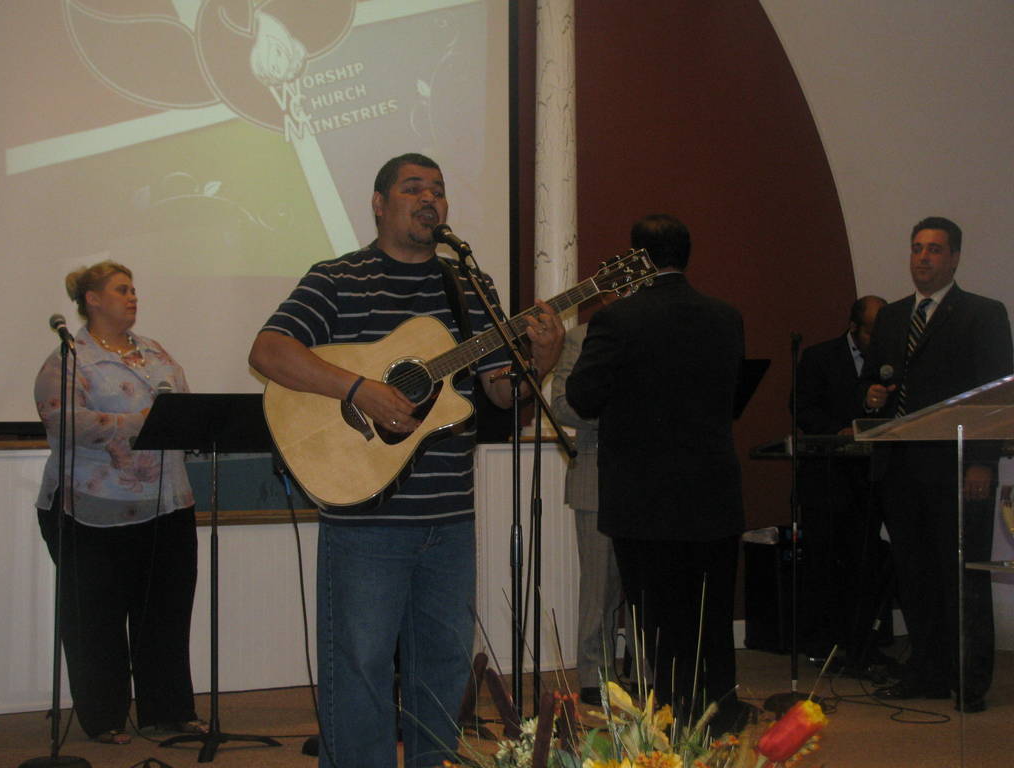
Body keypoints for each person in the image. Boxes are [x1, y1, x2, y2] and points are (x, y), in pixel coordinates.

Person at [248, 153, 563, 768]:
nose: (429, 199)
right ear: (378, 203)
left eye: (438, 190)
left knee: (444, 668)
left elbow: (503, 393)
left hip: (450, 517)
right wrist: (358, 388)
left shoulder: (469, 286)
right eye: (413, 188)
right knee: (360, 668)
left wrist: (543, 358)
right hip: (366, 518)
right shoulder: (338, 278)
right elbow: (268, 350)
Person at [565, 214, 748, 733]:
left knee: (658, 623)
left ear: (637, 259)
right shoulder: (726, 317)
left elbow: (582, 397)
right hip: (713, 490)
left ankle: (671, 720)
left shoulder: (617, 321)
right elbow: (730, 396)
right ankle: (720, 714)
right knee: (711, 617)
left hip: (644, 499)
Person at [34, 261, 204, 744]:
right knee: (97, 619)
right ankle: (104, 716)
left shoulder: (155, 352)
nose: (133, 297)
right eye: (122, 289)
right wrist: (140, 424)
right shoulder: (69, 358)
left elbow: (183, 405)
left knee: (165, 613)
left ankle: (168, 711)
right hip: (91, 507)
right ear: (92, 299)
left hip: (167, 502)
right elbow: (64, 421)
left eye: (134, 289)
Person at [861, 217, 1012, 712]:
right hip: (901, 469)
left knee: (963, 576)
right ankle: (926, 671)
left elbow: (994, 398)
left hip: (960, 467)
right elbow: (872, 383)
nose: (922, 257)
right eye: (917, 248)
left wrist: (982, 463)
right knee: (915, 575)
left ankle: (969, 680)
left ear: (954, 258)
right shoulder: (892, 316)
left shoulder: (983, 314)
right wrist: (873, 395)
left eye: (934, 249)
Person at [792, 296, 893, 671]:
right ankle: (822, 642)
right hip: (828, 477)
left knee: (866, 560)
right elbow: (801, 407)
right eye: (871, 331)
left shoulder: (889, 362)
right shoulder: (820, 357)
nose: (876, 339)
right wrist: (837, 431)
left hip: (871, 477)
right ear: (853, 327)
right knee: (823, 561)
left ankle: (863, 642)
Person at [551, 316, 624, 706]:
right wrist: (623, 413)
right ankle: (595, 674)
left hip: (651, 476)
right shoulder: (581, 337)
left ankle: (647, 671)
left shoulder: (656, 330)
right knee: (599, 587)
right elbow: (561, 406)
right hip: (595, 474)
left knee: (647, 583)